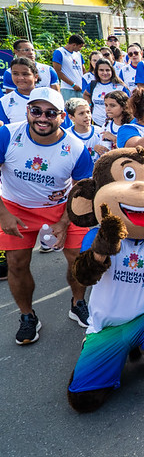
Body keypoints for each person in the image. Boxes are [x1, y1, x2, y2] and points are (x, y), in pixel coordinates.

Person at [0, 88, 93, 343]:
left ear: (62, 116)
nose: (43, 117)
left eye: (50, 112)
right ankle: (28, 315)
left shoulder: (76, 147)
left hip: (62, 208)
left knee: (78, 259)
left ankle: (78, 303)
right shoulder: (7, 134)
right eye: (36, 111)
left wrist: (64, 221)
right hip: (14, 207)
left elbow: (82, 187)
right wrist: (3, 214)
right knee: (16, 264)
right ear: (27, 111)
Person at [82, 58, 129, 127]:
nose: (104, 73)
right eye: (101, 70)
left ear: (112, 71)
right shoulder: (93, 85)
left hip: (116, 124)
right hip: (97, 123)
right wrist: (90, 105)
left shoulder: (120, 86)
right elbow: (86, 94)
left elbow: (128, 104)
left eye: (107, 70)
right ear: (97, 71)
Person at [64, 98, 106, 164]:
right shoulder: (67, 136)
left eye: (88, 112)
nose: (87, 116)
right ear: (71, 117)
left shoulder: (100, 132)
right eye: (81, 113)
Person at [0, 58, 38, 125]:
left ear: (35, 77)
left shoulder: (49, 97)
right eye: (15, 74)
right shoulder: (4, 102)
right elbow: (5, 130)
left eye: (25, 74)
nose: (20, 78)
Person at [52, 34, 85, 100]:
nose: (80, 49)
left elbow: (83, 69)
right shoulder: (59, 52)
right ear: (74, 45)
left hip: (80, 89)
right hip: (68, 89)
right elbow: (57, 71)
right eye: (80, 47)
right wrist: (73, 85)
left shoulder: (78, 54)